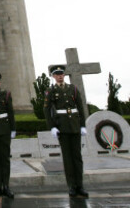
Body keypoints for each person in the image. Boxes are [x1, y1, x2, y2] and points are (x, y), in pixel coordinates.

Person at [44, 65, 88, 198]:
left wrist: (82, 125)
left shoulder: (73, 89)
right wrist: (52, 126)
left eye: (61, 73)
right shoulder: (50, 91)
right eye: (57, 74)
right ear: (53, 76)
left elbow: (80, 107)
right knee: (68, 158)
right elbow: (47, 110)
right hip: (62, 127)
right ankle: (72, 186)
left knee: (77, 157)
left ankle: (80, 185)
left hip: (74, 126)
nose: (60, 76)